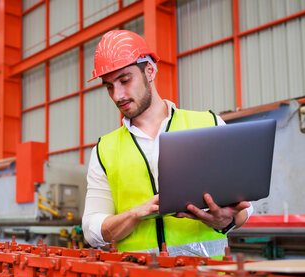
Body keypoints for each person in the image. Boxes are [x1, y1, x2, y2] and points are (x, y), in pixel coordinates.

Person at [81, 30, 253, 258]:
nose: (117, 95)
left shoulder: (208, 124)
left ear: (150, 71)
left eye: (124, 80)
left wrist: (225, 219)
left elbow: (245, 208)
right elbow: (92, 230)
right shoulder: (105, 149)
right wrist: (134, 214)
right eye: (109, 86)